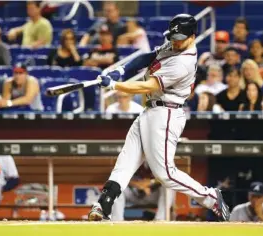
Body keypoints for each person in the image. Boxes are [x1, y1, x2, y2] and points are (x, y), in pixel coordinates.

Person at [87, 14, 230, 222]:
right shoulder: (174, 44)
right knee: (126, 160)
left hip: (167, 113)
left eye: (180, 37)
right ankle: (104, 204)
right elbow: (147, 57)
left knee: (165, 173)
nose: (175, 41)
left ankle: (210, 197)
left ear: (192, 36)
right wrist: (120, 70)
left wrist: (113, 85)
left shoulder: (184, 62)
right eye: (173, 36)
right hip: (149, 110)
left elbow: (148, 86)